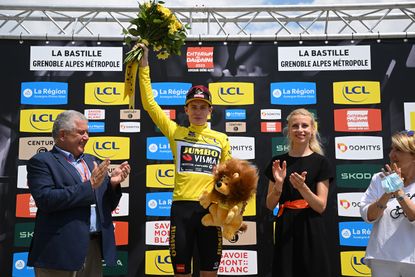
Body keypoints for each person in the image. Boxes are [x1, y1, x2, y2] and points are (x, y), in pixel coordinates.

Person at [138, 44, 232, 277]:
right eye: (193, 107)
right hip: (181, 210)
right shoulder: (176, 133)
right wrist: (144, 65)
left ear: (210, 111)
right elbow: (150, 104)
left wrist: (233, 207)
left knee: (210, 273)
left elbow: (231, 178)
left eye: (203, 107)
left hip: (210, 210)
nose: (198, 111)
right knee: (181, 273)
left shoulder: (221, 139)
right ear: (186, 110)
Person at [27, 110, 131, 277]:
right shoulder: (41, 162)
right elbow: (46, 200)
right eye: (81, 132)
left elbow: (107, 206)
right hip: (59, 251)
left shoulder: (92, 161)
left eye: (87, 132)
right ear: (62, 135)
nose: (87, 137)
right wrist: (89, 186)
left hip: (93, 248)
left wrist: (112, 184)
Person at [264, 108, 333, 277]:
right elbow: (269, 204)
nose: (300, 130)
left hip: (311, 226)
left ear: (312, 130)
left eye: (304, 125)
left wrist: (303, 188)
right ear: (288, 130)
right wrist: (279, 185)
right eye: (295, 126)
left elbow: (320, 206)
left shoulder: (322, 162)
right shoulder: (277, 161)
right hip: (285, 226)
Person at [360, 130, 415, 277]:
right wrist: (387, 193)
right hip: (382, 258)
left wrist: (398, 192)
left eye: (399, 150)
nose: (392, 155)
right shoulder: (379, 178)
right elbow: (368, 216)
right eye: (392, 149)